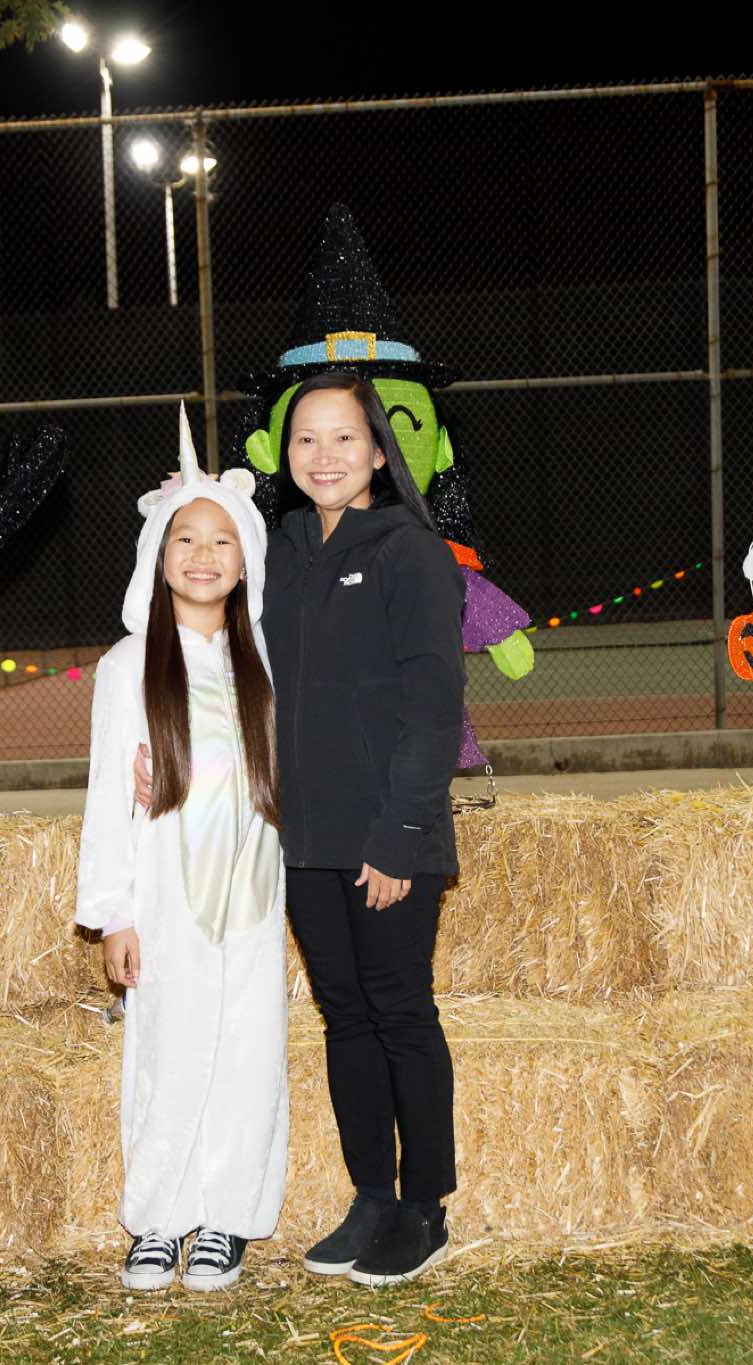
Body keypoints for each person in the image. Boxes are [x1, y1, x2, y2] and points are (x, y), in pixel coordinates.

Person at [140, 369, 466, 1286]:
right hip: (303, 840)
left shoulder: (410, 552)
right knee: (345, 1016)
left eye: (345, 437)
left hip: (387, 837)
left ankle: (425, 1206)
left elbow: (434, 708)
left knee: (400, 1011)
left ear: (379, 451)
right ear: (286, 454)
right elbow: (206, 617)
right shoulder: (279, 547)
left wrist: (399, 835)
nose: (325, 456)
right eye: (306, 440)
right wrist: (156, 740)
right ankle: (372, 1196)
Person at [75, 411, 288, 1293]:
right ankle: (159, 1216)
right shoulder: (127, 668)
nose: (204, 554)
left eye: (222, 540)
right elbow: (105, 797)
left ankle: (227, 1216)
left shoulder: (266, 661)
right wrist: (115, 913)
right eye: (186, 538)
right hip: (166, 898)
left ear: (248, 561)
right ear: (157, 556)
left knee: (247, 1048)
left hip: (252, 896)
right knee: (166, 1048)